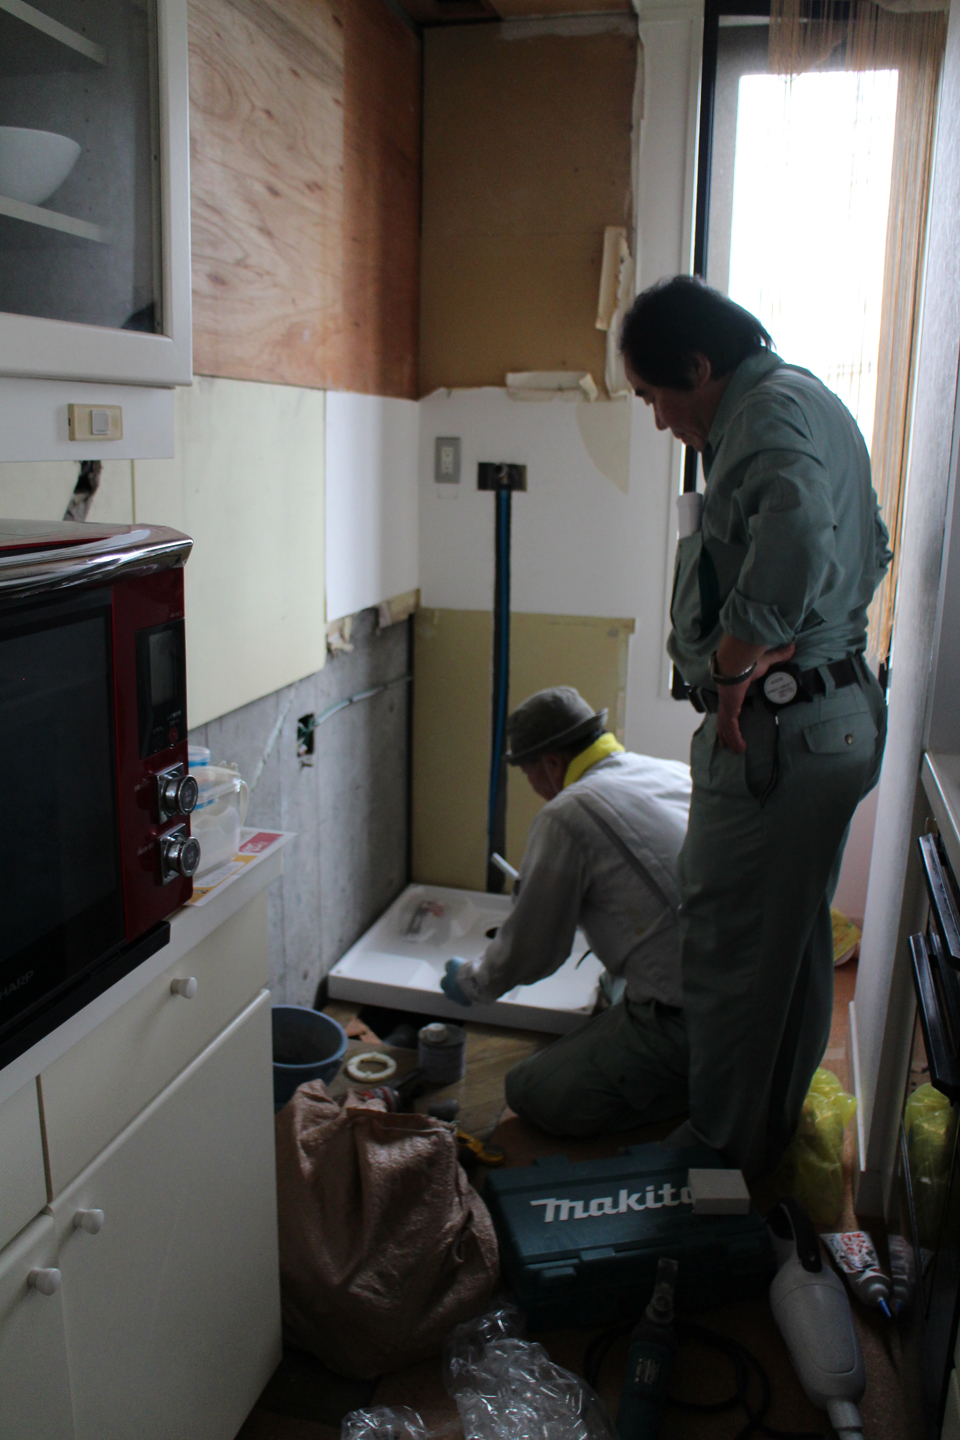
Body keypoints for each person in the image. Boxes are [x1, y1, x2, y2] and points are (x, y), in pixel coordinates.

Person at [619, 275, 890, 1179]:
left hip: (778, 732)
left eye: (655, 395)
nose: (659, 419)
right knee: (789, 946)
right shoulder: (812, 400)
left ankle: (718, 1165)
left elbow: (802, 530)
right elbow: (872, 542)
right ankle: (760, 1142)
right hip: (830, 716)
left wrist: (738, 661)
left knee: (732, 952)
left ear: (698, 367)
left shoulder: (763, 416)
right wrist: (805, 634)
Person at [441, 686, 691, 1137]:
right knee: (610, 982)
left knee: (530, 1090)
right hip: (752, 989)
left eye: (529, 775)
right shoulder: (666, 771)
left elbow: (534, 952)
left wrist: (470, 982)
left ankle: (703, 1089)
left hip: (694, 1018)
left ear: (553, 763)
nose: (536, 789)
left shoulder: (569, 814)